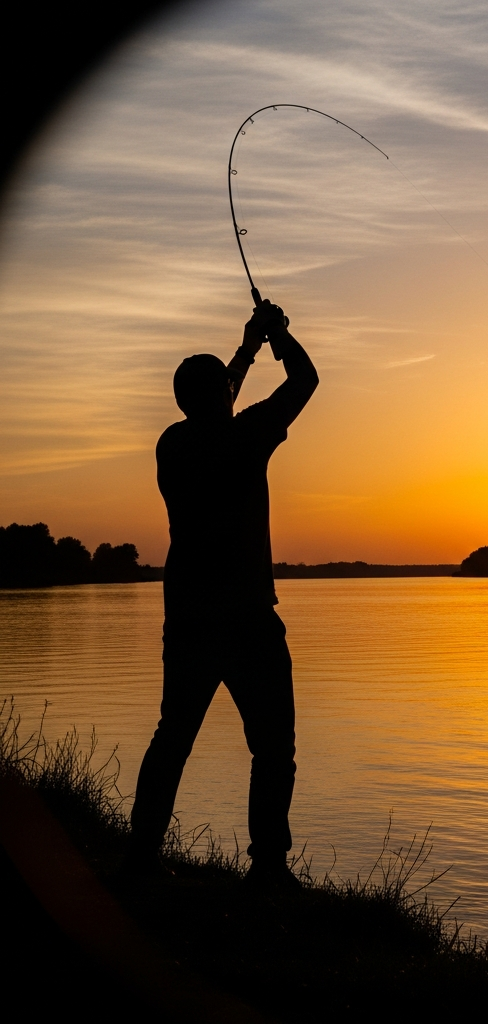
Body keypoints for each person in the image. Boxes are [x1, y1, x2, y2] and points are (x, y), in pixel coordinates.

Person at [125, 299, 318, 889]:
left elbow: (219, 397)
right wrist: (277, 336)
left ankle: (140, 854)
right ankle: (268, 867)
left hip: (187, 615)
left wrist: (248, 347)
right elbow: (306, 380)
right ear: (219, 397)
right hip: (248, 618)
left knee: (173, 736)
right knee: (272, 748)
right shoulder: (247, 436)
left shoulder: (172, 444)